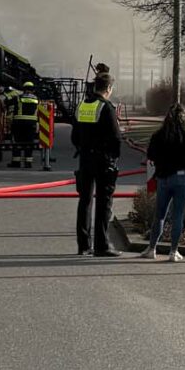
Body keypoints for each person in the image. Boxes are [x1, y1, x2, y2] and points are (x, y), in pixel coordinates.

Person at [71, 64, 123, 258]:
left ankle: (83, 245)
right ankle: (102, 246)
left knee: (84, 202)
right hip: (103, 161)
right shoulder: (106, 107)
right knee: (104, 203)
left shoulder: (82, 105)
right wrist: (114, 157)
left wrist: (83, 148)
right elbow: (116, 137)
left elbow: (74, 135)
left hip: (85, 159)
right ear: (108, 89)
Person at [142, 107, 185, 259]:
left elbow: (150, 156)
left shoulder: (158, 136)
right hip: (181, 177)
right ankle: (174, 251)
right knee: (178, 215)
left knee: (160, 215)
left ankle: (152, 249)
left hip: (163, 178)